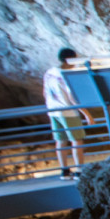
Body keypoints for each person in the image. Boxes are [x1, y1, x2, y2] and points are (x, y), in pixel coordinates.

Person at [42, 47, 91, 176]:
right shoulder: (67, 75)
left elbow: (45, 92)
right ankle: (79, 170)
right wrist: (87, 115)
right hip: (68, 112)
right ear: (70, 59)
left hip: (53, 111)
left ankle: (64, 171)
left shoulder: (49, 72)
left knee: (61, 141)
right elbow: (73, 99)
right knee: (77, 140)